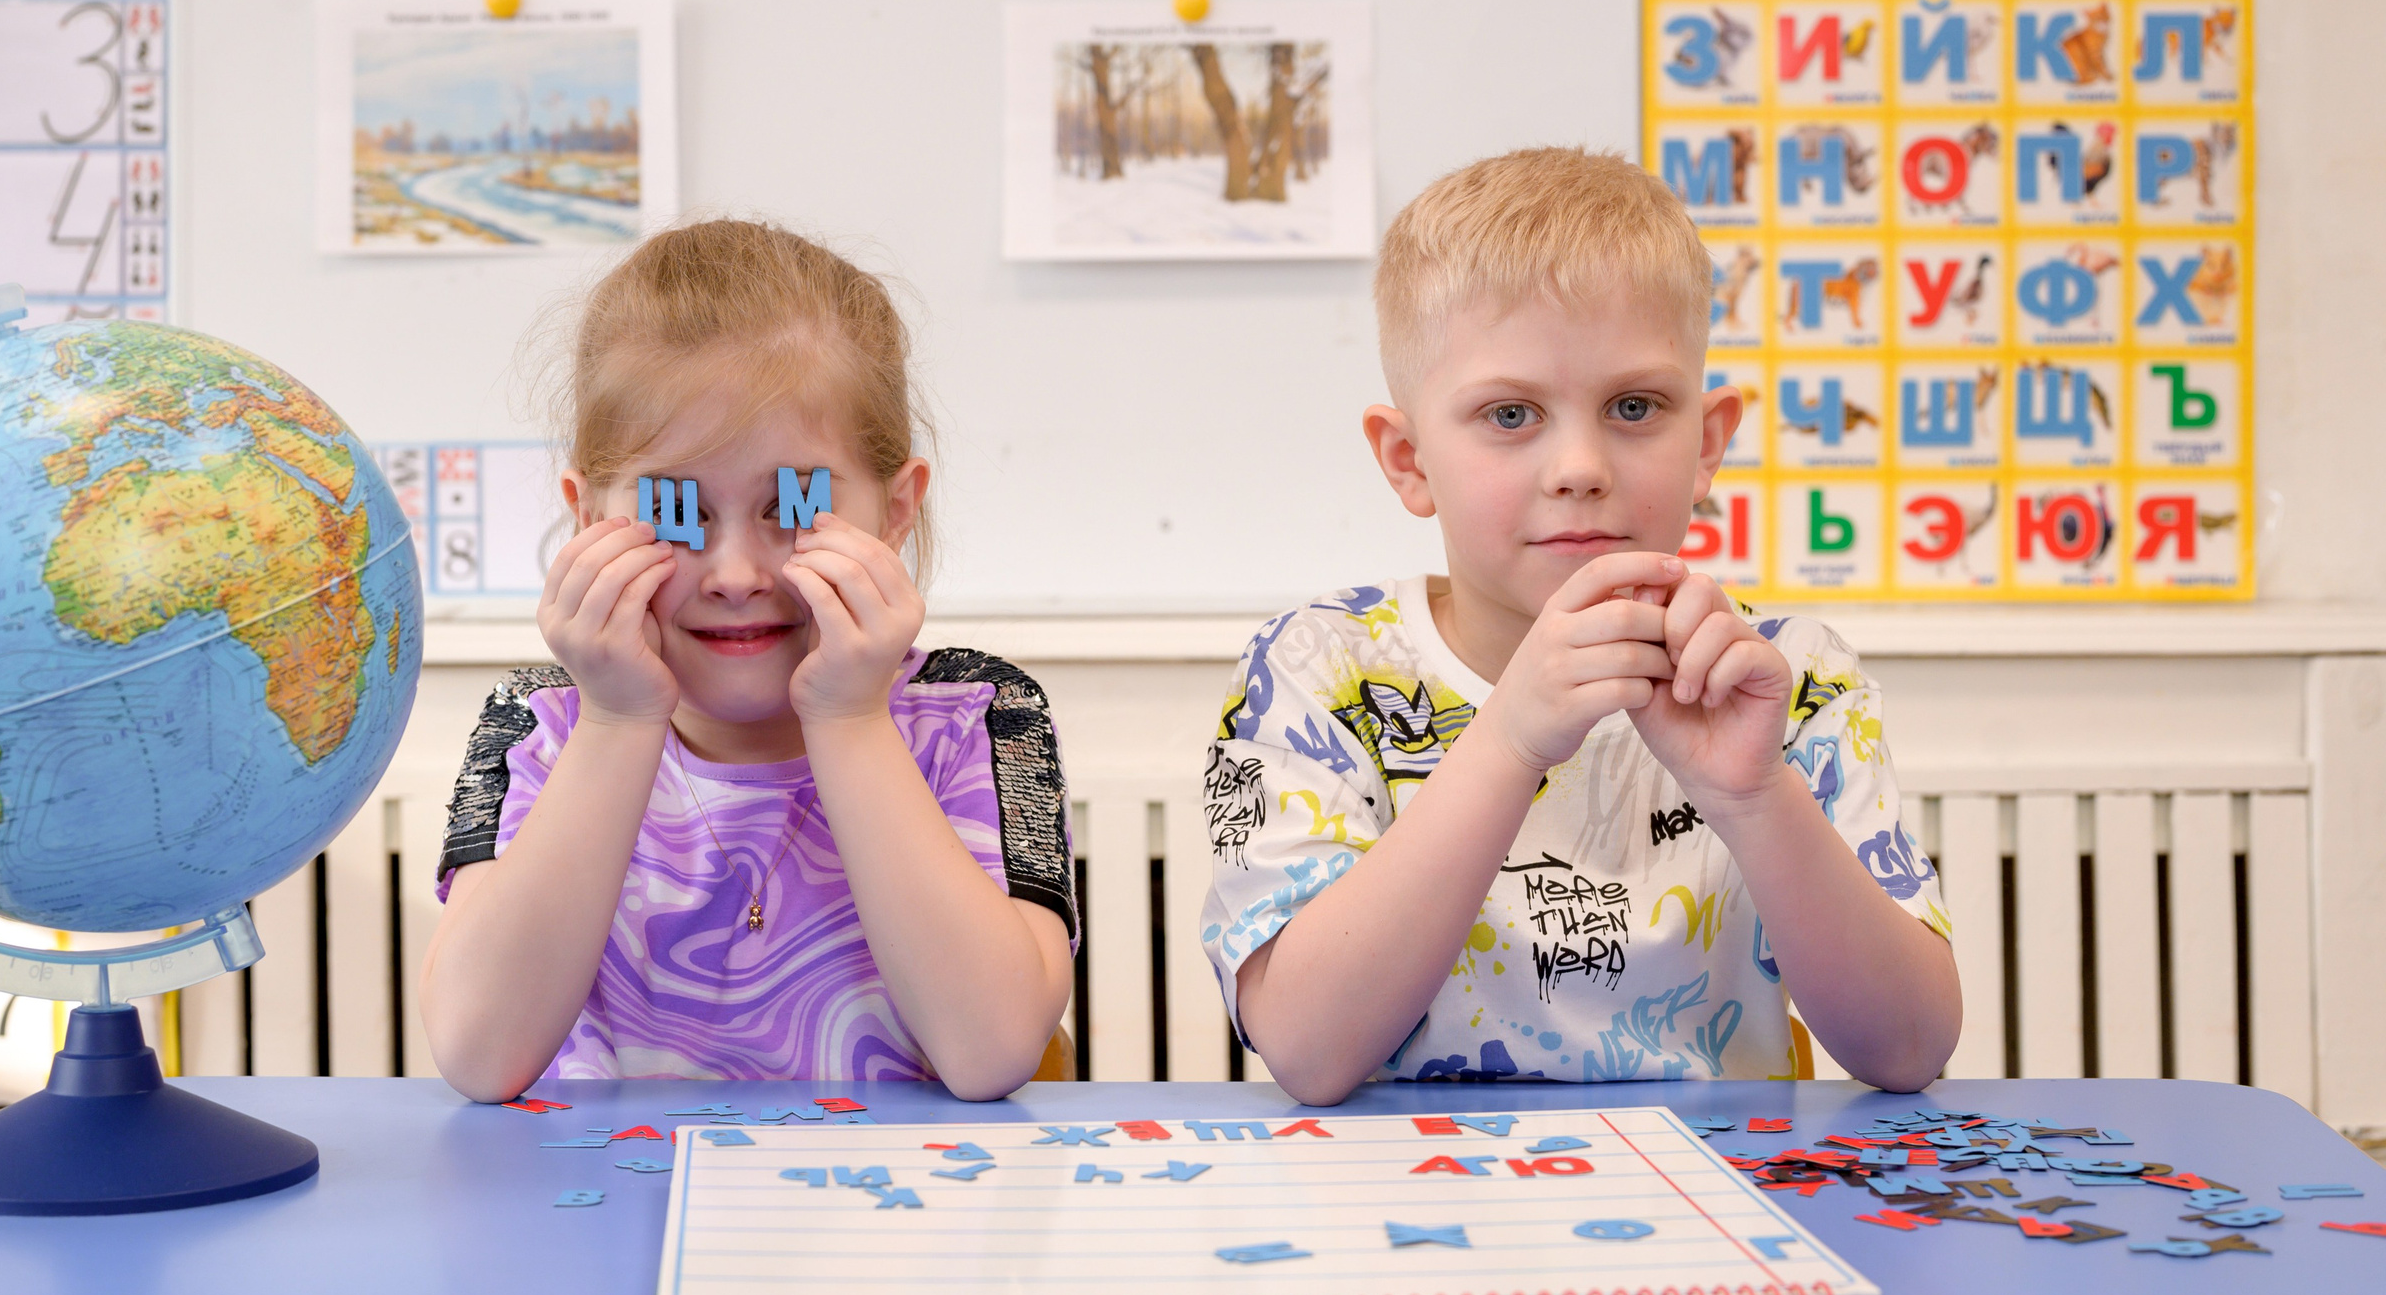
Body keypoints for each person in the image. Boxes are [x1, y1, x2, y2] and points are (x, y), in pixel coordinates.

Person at [1199, 148, 1959, 1105]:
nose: (1580, 464)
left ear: (1707, 444)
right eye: (1511, 413)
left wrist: (1757, 795)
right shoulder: (1318, 669)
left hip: (1715, 1214)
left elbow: (1909, 1048)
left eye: (1634, 407)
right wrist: (1513, 738)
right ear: (1409, 459)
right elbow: (1307, 1051)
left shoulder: (1787, 676)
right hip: (1403, 1209)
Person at [422, 220, 1076, 1105]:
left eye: (793, 507)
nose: (735, 575)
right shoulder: (538, 725)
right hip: (605, 1219)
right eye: (676, 511)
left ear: (894, 509)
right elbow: (478, 1052)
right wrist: (618, 721)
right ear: (588, 517)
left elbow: (991, 1048)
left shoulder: (982, 713)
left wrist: (847, 718)